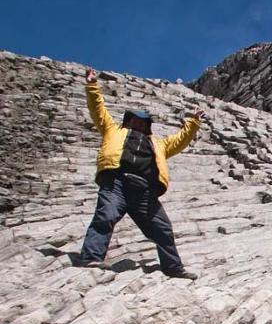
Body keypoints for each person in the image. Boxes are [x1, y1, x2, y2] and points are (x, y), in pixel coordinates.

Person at [78, 68, 203, 280]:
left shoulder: (159, 144)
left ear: (147, 126)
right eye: (135, 120)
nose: (139, 123)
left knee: (163, 228)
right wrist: (92, 86)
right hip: (116, 182)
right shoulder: (113, 130)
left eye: (143, 122)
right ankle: (91, 257)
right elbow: (98, 111)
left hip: (144, 191)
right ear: (127, 121)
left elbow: (180, 140)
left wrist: (193, 123)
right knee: (105, 216)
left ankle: (173, 268)